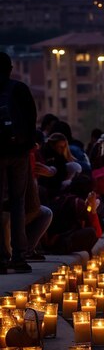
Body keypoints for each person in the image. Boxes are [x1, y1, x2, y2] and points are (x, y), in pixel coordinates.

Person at [0, 52, 37, 273]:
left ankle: (1, 259)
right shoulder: (19, 89)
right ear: (11, 68)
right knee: (18, 203)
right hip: (19, 153)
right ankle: (19, 256)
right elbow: (31, 119)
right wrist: (27, 144)